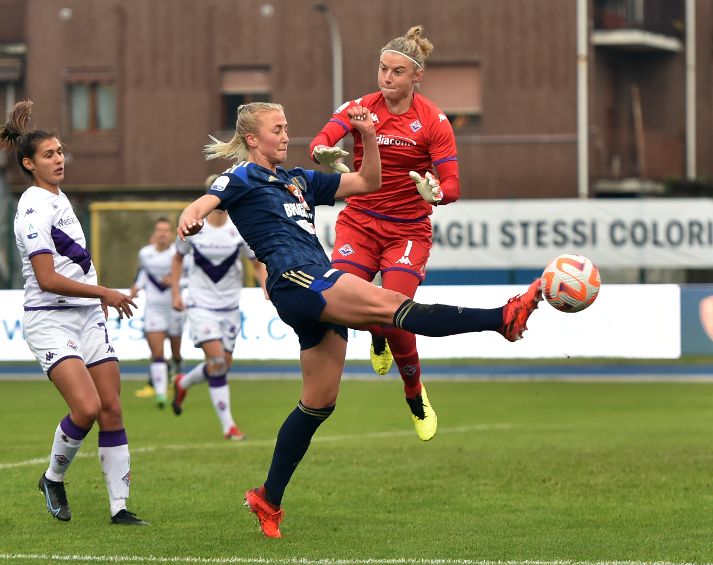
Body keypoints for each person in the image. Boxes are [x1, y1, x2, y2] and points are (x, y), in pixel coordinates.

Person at [176, 101, 541, 538]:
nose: (286, 135)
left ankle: (268, 499)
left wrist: (366, 135)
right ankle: (503, 317)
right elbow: (202, 203)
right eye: (277, 129)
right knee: (397, 310)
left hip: (315, 284)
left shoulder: (298, 180)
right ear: (252, 139)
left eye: (287, 126)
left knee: (319, 403)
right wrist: (192, 219)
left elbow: (369, 181)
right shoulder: (243, 176)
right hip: (299, 280)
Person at [310, 25, 460, 442]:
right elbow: (323, 139)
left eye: (396, 71)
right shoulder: (361, 107)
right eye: (382, 69)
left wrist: (436, 194)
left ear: (417, 76)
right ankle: (377, 334)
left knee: (396, 313)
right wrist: (324, 150)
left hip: (407, 231)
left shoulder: (434, 122)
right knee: (343, 303)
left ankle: (414, 393)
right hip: (359, 222)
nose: (386, 78)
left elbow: (453, 186)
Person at [2, 100, 148, 525]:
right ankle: (52, 477)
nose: (59, 159)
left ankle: (119, 509)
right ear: (29, 164)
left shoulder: (58, 197)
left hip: (87, 316)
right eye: (48, 155)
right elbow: (47, 278)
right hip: (50, 317)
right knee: (85, 408)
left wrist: (96, 298)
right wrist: (105, 290)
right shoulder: (32, 205)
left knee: (112, 409)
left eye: (61, 151)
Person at [170, 174, 267, 440]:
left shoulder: (239, 229)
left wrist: (264, 284)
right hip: (201, 305)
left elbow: (256, 261)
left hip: (229, 306)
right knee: (216, 362)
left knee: (221, 364)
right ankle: (229, 427)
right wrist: (177, 292)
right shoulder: (193, 225)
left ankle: (183, 382)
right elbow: (177, 259)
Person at [130, 218, 187, 407]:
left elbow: (190, 278)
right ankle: (161, 395)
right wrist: (136, 288)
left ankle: (177, 373)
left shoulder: (179, 254)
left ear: (171, 234)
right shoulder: (145, 254)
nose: (162, 233)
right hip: (154, 308)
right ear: (154, 233)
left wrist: (176, 282)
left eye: (165, 230)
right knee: (157, 353)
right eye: (159, 230)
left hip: (175, 308)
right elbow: (144, 273)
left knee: (175, 352)